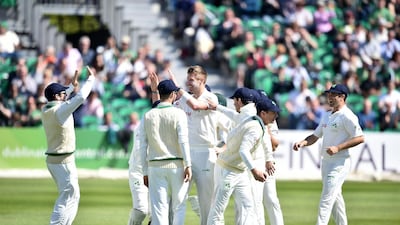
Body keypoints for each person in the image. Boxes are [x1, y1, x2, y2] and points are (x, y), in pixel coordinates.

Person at [293, 84, 365, 225]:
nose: (329, 97)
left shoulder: (347, 116)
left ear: (342, 97)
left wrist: (338, 147)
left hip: (339, 163)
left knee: (326, 201)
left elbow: (360, 137)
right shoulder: (327, 115)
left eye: (333, 94)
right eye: (329, 94)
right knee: (336, 199)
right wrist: (303, 142)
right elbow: (315, 136)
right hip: (326, 162)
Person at [41, 66, 95, 225]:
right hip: (63, 162)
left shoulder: (46, 109)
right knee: (68, 197)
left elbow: (62, 100)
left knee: (72, 195)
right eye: (63, 93)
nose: (66, 95)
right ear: (57, 96)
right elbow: (80, 98)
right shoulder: (60, 111)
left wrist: (71, 86)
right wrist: (91, 79)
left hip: (55, 161)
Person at [206, 87, 267, 225]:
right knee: (222, 207)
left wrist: (254, 169)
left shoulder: (248, 114)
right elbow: (234, 115)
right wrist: (218, 108)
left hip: (237, 170)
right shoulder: (248, 113)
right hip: (229, 169)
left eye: (235, 100)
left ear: (239, 100)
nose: (233, 103)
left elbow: (235, 116)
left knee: (244, 206)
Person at [138, 79, 192, 225]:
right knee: (179, 206)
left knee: (159, 208)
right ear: (174, 94)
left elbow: (142, 146)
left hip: (155, 167)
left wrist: (144, 171)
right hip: (177, 166)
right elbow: (183, 141)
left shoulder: (148, 115)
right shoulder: (179, 114)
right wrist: (188, 165)